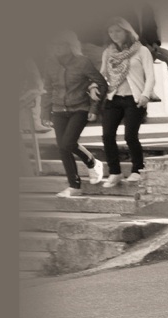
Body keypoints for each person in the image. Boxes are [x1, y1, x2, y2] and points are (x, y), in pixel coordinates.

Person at [41, 31, 108, 197]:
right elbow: (48, 89)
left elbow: (100, 83)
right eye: (54, 45)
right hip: (58, 109)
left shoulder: (82, 62)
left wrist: (94, 108)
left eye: (61, 44)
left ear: (70, 45)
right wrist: (44, 112)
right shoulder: (49, 63)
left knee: (68, 143)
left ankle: (93, 162)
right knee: (63, 148)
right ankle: (74, 187)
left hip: (80, 108)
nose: (57, 48)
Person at [99, 17, 155, 187]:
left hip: (135, 99)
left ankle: (137, 170)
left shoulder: (142, 50)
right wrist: (95, 86)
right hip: (114, 98)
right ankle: (114, 172)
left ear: (127, 31)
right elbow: (103, 74)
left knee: (130, 136)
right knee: (107, 135)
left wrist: (145, 95)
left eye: (117, 31)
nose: (114, 35)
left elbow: (150, 76)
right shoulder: (108, 52)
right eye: (111, 32)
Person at [121, 2, 168, 103]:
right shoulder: (125, 9)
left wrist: (155, 43)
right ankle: (148, 93)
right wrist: (145, 45)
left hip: (149, 46)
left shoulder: (146, 8)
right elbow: (128, 33)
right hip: (131, 48)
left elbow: (152, 28)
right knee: (143, 62)